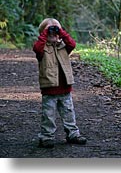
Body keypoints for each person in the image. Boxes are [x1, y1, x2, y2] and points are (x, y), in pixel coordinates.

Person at [33, 18, 87, 148]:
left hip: (65, 88)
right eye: (49, 30)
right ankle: (46, 137)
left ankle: (73, 134)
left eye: (56, 30)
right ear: (44, 33)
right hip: (49, 88)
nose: (53, 32)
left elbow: (72, 44)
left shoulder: (64, 46)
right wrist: (45, 33)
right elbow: (37, 47)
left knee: (69, 113)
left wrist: (60, 32)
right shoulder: (42, 49)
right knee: (48, 115)